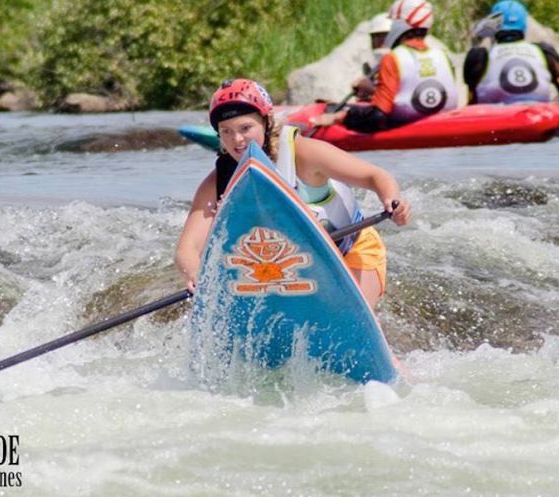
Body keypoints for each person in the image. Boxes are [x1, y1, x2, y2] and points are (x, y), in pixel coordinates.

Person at [175, 79, 411, 307]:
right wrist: (196, 273)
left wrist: (392, 198)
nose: (236, 140)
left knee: (353, 317)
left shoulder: (304, 154)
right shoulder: (219, 181)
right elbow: (187, 248)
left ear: (266, 122)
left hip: (352, 251)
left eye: (245, 128)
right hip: (291, 270)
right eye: (226, 131)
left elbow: (375, 176)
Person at [312, 0, 459, 133]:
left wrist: (337, 117)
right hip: (438, 120)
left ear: (403, 24)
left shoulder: (392, 58)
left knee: (332, 109)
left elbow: (378, 115)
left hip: (402, 124)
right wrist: (373, 91)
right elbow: (415, 91)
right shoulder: (442, 55)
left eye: (394, 22)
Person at [464, 0, 559, 104]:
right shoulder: (543, 51)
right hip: (537, 116)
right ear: (523, 23)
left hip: (496, 120)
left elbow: (471, 98)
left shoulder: (479, 57)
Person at [351, 12, 393, 102]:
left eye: (384, 37)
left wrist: (372, 90)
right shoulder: (370, 66)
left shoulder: (404, 64)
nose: (380, 42)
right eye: (376, 37)